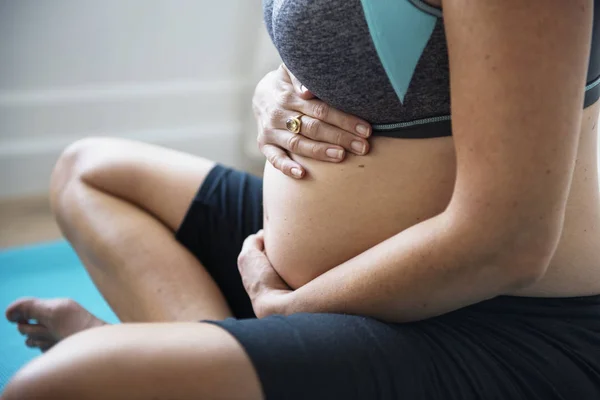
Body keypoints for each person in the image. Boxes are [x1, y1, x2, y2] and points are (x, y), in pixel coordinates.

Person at [3, 0, 600, 399]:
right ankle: (195, 356)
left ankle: (178, 363)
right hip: (321, 288)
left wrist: (290, 311)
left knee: (54, 385)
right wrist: (276, 91)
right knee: (90, 173)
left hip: (490, 322)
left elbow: (510, 242)